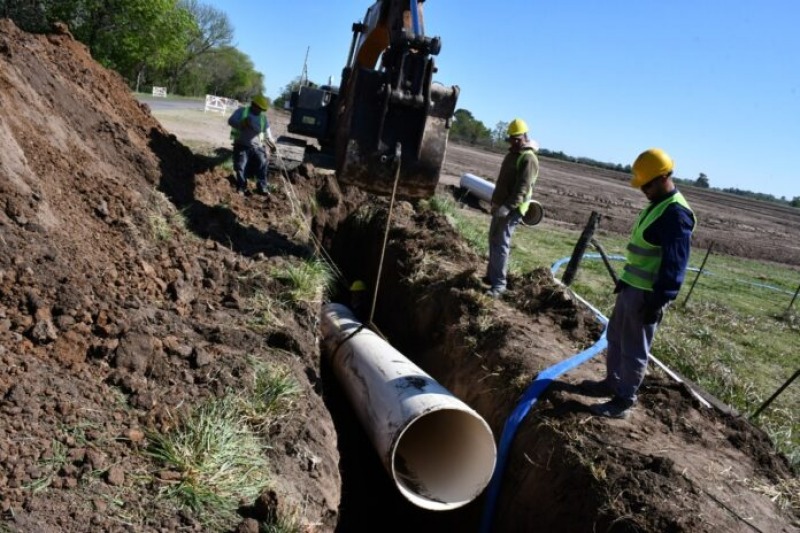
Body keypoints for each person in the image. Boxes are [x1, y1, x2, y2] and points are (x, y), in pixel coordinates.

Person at [582, 148, 696, 419]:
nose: (642, 189)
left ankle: (623, 400)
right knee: (616, 339)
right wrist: (625, 280)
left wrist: (659, 300)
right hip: (632, 288)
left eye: (646, 184)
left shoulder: (676, 214)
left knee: (635, 349)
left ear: (663, 177)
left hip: (647, 296)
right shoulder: (657, 205)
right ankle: (611, 384)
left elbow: (674, 264)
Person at [484, 118, 539, 297]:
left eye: (517, 138)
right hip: (500, 205)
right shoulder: (512, 155)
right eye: (511, 138)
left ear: (524, 136)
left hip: (512, 209)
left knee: (501, 244)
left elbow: (522, 189)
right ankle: (491, 277)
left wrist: (507, 207)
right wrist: (496, 203)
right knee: (493, 239)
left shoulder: (528, 159)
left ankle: (499, 285)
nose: (514, 141)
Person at [227, 94, 277, 195]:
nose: (259, 111)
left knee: (262, 164)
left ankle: (262, 186)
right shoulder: (242, 111)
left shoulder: (263, 119)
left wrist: (272, 143)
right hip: (242, 145)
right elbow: (230, 121)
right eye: (258, 108)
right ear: (253, 104)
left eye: (262, 109)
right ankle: (242, 187)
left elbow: (268, 134)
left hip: (257, 147)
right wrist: (242, 123)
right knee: (241, 166)